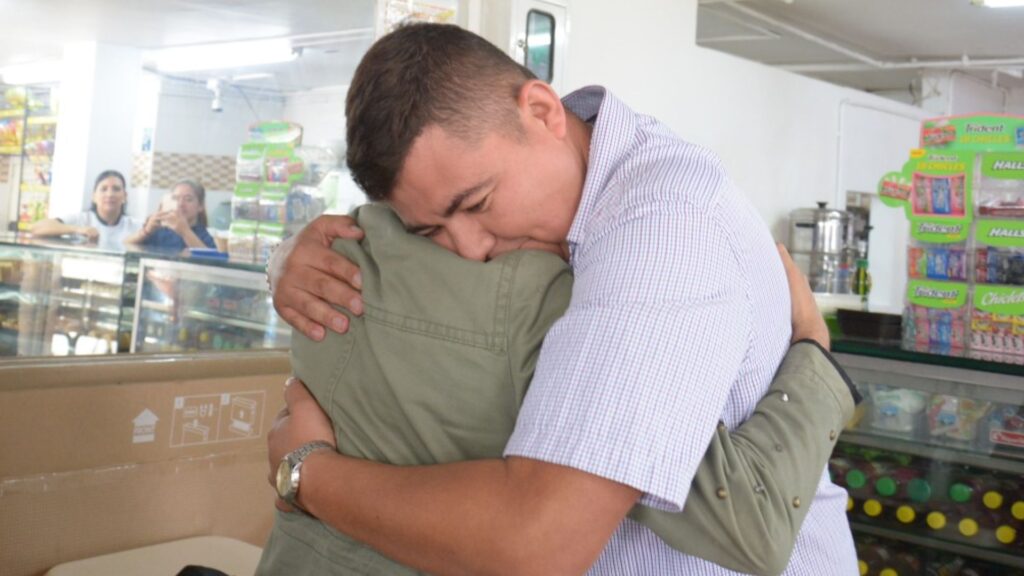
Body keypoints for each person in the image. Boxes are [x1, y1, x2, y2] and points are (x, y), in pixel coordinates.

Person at [267, 23, 858, 574]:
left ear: (543, 111)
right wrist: (288, 258)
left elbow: (542, 543)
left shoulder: (665, 228)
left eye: (477, 204)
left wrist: (307, 472)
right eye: (432, 232)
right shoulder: (544, 209)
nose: (470, 249)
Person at [257, 203, 858, 576]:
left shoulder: (340, 247)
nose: (473, 243)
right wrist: (813, 348)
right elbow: (748, 519)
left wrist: (281, 260)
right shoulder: (542, 303)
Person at [29, 170, 143, 251]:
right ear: (94, 196)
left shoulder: (135, 226)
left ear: (125, 196)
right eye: (103, 189)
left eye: (116, 189)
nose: (109, 194)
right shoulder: (81, 219)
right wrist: (77, 230)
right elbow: (36, 228)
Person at [125, 179, 216, 252]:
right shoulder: (161, 232)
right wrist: (146, 231)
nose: (180, 204)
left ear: (200, 206)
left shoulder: (204, 236)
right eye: (175, 198)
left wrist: (184, 231)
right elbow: (124, 247)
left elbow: (211, 260)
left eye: (188, 199)